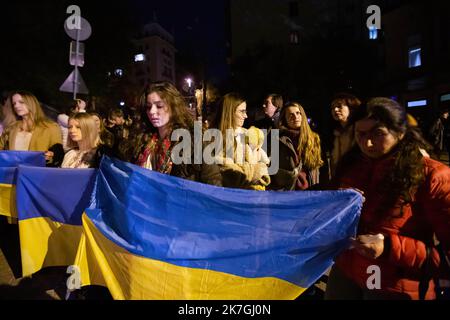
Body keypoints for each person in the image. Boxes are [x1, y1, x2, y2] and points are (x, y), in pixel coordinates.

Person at [325, 97, 450, 300]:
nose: (368, 143)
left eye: (378, 133)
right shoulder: (350, 166)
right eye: (361, 134)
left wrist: (390, 247)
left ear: (400, 133)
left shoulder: (433, 176)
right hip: (347, 272)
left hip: (394, 285)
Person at [124, 81, 222, 186]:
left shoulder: (195, 140)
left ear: (173, 107)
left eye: (159, 106)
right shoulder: (142, 142)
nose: (152, 111)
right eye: (148, 107)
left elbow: (213, 182)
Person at [215, 92, 270, 190]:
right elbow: (233, 176)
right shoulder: (214, 138)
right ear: (229, 112)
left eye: (246, 111)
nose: (246, 116)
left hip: (255, 196)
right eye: (242, 111)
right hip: (232, 198)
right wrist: (255, 172)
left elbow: (263, 164)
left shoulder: (249, 134)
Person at [0, 91, 63, 166]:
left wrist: (51, 155)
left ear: (31, 103)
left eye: (21, 102)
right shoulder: (11, 128)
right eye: (14, 104)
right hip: (11, 173)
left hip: (37, 173)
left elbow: (58, 151)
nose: (16, 106)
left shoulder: (51, 127)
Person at [269, 102, 323, 190]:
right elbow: (271, 171)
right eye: (290, 115)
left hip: (309, 191)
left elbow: (317, 169)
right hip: (285, 193)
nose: (295, 117)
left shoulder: (313, 139)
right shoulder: (276, 139)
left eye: (298, 113)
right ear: (284, 119)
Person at [329, 93, 362, 178]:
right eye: (332, 108)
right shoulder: (336, 134)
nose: (335, 110)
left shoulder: (360, 131)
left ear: (351, 108)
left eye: (339, 106)